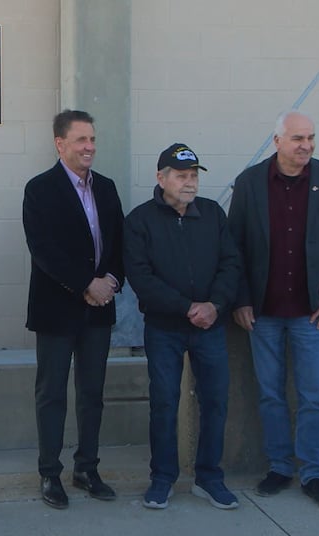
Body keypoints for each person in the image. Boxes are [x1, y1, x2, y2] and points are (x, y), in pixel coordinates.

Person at [227, 111, 319, 510]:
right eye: (298, 138)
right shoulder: (251, 183)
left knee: (313, 397)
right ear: (277, 141)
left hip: (312, 312)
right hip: (263, 312)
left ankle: (314, 474)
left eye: (311, 138)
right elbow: (233, 246)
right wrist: (240, 298)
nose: (306, 145)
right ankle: (280, 467)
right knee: (270, 394)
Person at [123, 143, 241, 510]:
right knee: (164, 403)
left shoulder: (212, 214)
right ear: (161, 178)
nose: (189, 184)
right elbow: (141, 277)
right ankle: (162, 478)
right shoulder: (140, 220)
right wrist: (186, 306)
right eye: (181, 176)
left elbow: (231, 264)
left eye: (193, 177)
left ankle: (209, 477)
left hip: (210, 326)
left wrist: (214, 305)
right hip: (164, 328)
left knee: (215, 401)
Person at [22, 109, 125, 510]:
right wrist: (86, 284)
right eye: (81, 140)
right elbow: (43, 250)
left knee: (92, 393)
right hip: (56, 308)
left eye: (93, 139)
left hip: (99, 309)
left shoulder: (108, 188)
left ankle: (87, 468)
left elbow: (119, 244)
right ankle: (50, 473)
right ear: (60, 144)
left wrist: (111, 282)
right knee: (51, 394)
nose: (89, 147)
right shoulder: (40, 189)